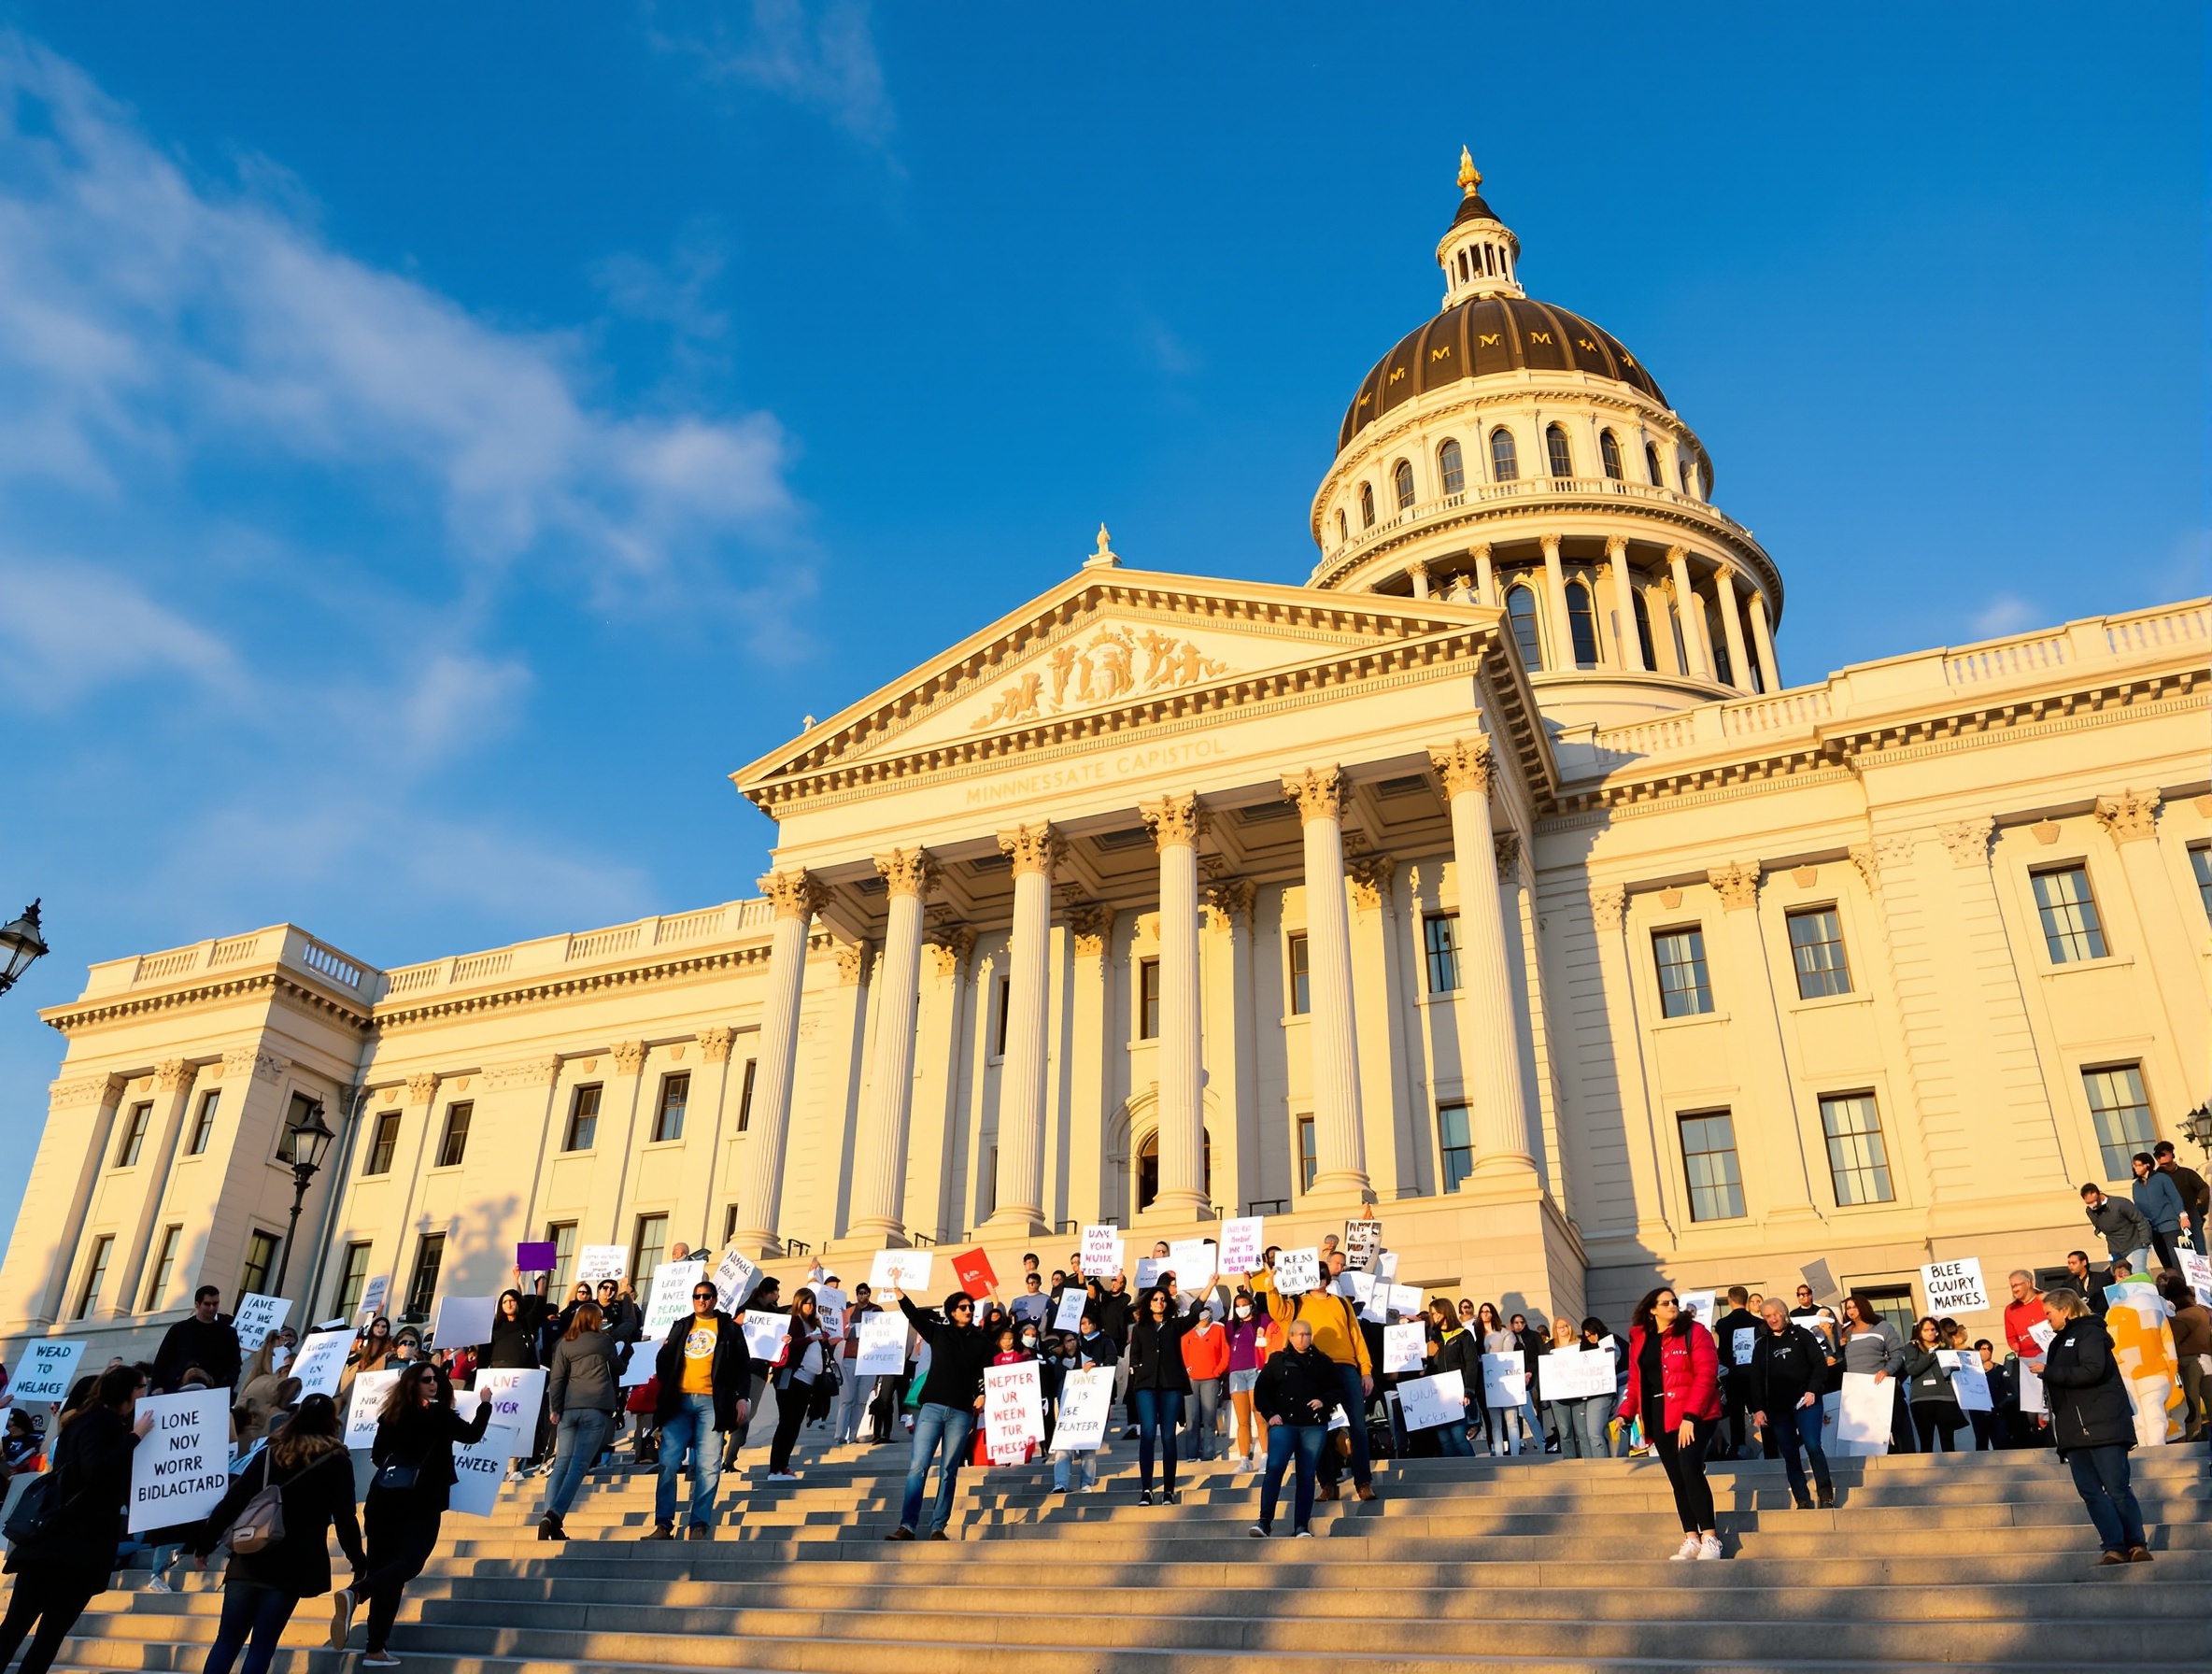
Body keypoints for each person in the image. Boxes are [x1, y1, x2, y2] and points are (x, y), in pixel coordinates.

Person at [191, 1393, 362, 1674]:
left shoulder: (270, 1454)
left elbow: (233, 1502)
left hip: (249, 1557)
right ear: (332, 1422)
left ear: (296, 1419)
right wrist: (357, 1560)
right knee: (262, 1646)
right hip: (293, 1566)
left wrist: (204, 1544)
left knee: (227, 1641)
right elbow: (345, 1518)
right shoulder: (338, 1462)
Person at [0, 1365, 150, 1674]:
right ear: (126, 1392)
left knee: (17, 1627)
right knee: (47, 1634)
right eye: (141, 1387)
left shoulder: (82, 1421)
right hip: (73, 1548)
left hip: (53, 1544)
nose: (145, 1393)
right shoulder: (104, 1423)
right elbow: (96, 1469)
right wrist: (135, 1437)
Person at [344, 1361, 492, 1666]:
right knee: (409, 1563)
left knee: (387, 1572)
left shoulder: (390, 1415)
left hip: (383, 1497)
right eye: (427, 1379)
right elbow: (473, 1435)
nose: (434, 1383)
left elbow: (377, 1456)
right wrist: (485, 1405)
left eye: (436, 1378)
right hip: (421, 1501)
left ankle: (375, 1648)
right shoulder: (439, 1415)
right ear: (413, 1384)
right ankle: (358, 1592)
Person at [2027, 1288, 2148, 1564]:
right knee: (2090, 1491)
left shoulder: (2090, 1333)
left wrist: (2049, 1371)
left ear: (2066, 1309)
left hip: (2104, 1426)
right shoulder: (2057, 1343)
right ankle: (2113, 1546)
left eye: (2049, 1313)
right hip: (2073, 1430)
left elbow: (2092, 1370)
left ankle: (2136, 1544)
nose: (2046, 1319)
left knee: (2117, 1489)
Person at [1251, 1262, 1376, 1501]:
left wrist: (1366, 1370)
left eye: (1322, 1273)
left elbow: (1356, 1337)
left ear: (1328, 1277)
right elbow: (1277, 1311)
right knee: (1318, 1428)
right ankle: (1327, 1483)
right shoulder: (1297, 1303)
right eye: (1314, 1274)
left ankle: (1363, 1482)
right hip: (1314, 1368)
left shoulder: (1342, 1303)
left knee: (1358, 1426)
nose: (1319, 1278)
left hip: (1346, 1366)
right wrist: (1272, 1285)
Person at [1618, 1286, 1723, 1559]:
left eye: (1674, 1301)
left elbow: (1706, 1374)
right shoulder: (1640, 1338)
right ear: (1652, 1309)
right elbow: (1635, 1381)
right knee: (1677, 1478)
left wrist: (1690, 1416)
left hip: (1696, 1413)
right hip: (1659, 1414)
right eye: (1665, 1303)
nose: (1672, 1305)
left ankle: (1710, 1537)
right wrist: (1625, 1413)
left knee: (1690, 1467)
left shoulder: (1694, 1331)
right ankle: (1691, 1538)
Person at [645, 1277, 749, 1539]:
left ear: (714, 1300)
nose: (701, 1300)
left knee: (708, 1465)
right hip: (679, 1401)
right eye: (697, 1296)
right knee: (668, 1463)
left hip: (712, 1402)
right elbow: (663, 1364)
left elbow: (742, 1366)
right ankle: (663, 1524)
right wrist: (664, 1357)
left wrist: (742, 1397)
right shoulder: (682, 1326)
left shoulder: (728, 1329)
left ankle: (699, 1524)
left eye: (706, 1296)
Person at [887, 1287, 989, 1540]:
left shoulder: (981, 1341)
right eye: (963, 1307)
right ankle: (907, 1525)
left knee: (948, 1471)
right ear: (952, 1311)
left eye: (971, 1307)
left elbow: (987, 1371)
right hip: (932, 1408)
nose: (968, 1311)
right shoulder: (939, 1332)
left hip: (961, 1412)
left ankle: (938, 1527)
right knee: (918, 1467)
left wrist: (983, 1392)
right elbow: (914, 1316)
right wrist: (899, 1294)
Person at [538, 1300, 621, 1540]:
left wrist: (555, 1408)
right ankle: (554, 1515)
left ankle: (548, 1518)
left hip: (569, 1408)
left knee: (561, 1464)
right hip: (596, 1407)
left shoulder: (565, 1343)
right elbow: (619, 1368)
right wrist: (625, 1354)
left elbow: (557, 1378)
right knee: (578, 1466)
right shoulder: (604, 1341)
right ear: (595, 1320)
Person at [1249, 1319, 1334, 1539]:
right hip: (1284, 1424)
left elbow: (1337, 1388)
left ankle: (1301, 1526)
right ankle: (1264, 1521)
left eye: (1307, 1334)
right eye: (1299, 1334)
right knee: (1275, 1468)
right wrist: (1270, 1414)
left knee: (1306, 1475)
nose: (1304, 1338)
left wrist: (1324, 1401)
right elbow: (1261, 1390)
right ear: (1291, 1336)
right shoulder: (1278, 1360)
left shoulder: (1323, 1361)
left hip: (1313, 1426)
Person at [1749, 1298, 1835, 1509]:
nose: (1772, 1319)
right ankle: (1802, 1498)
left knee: (1813, 1445)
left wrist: (1813, 1389)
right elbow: (1755, 1379)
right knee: (1789, 1452)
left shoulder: (1802, 1335)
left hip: (1806, 1401)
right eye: (1767, 1316)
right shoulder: (1762, 1345)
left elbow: (1819, 1365)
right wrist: (1758, 1409)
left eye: (1775, 1314)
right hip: (1778, 1407)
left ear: (1784, 1313)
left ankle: (1825, 1493)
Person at [1126, 1284, 1198, 1503]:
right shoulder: (1140, 1328)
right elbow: (1135, 1356)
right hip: (1146, 1385)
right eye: (1155, 1299)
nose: (1159, 1302)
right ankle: (1146, 1489)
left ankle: (1168, 1490)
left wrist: (1211, 1285)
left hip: (1171, 1385)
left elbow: (1195, 1312)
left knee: (1168, 1436)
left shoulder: (1174, 1325)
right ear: (1148, 1303)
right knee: (1148, 1434)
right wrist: (1138, 1372)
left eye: (1163, 1299)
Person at [766, 1287, 830, 1481]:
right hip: (792, 1379)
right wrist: (811, 1338)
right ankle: (775, 1469)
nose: (810, 1307)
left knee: (794, 1425)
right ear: (799, 1303)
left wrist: (824, 1340)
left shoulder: (814, 1323)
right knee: (787, 1423)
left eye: (813, 1303)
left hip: (808, 1382)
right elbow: (788, 1343)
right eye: (806, 1303)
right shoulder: (794, 1321)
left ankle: (783, 1466)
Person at [1835, 1295, 1905, 1454]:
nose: (1851, 1311)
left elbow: (1897, 1353)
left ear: (1863, 1307)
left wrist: (1887, 1370)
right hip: (1856, 1390)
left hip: (1878, 1386)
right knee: (1861, 1434)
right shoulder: (1846, 1333)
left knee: (1884, 1431)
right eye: (1848, 1308)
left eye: (1854, 1307)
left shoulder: (1882, 1327)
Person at [154, 1286, 241, 1394]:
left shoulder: (228, 1333)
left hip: (213, 1390)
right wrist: (158, 1386)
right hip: (177, 1389)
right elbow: (163, 1360)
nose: (212, 1308)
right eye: (207, 1304)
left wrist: (225, 1387)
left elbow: (235, 1364)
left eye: (215, 1304)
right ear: (197, 1304)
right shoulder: (179, 1330)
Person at [2155, 1273, 2206, 1442]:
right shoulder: (2201, 1311)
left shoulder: (2179, 1318)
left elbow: (2173, 1342)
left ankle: (2194, 1439)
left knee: (2192, 1406)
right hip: (2207, 1359)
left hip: (2188, 1362)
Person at [1901, 1317, 1964, 1454]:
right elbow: (1912, 1369)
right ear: (1919, 1331)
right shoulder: (1912, 1347)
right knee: (1926, 1442)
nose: (1930, 1333)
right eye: (1926, 1330)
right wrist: (1932, 1354)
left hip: (1945, 1398)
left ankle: (1951, 1466)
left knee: (1948, 1442)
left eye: (1933, 1329)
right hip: (1922, 1399)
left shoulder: (1945, 1346)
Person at [1711, 1287, 1761, 1459]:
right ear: (1746, 1300)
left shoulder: (1723, 1324)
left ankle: (1738, 1447)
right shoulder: (1757, 1322)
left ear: (1730, 1300)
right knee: (1759, 1408)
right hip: (1754, 1373)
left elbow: (1722, 1350)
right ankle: (1769, 1443)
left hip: (1732, 1375)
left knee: (1736, 1413)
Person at [1474, 1303, 1525, 1456]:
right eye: (1482, 1312)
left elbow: (1509, 1354)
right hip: (1489, 1383)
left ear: (1493, 1313)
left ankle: (1515, 1455)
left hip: (1506, 1379)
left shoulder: (1505, 1333)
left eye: (1488, 1311)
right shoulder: (1477, 1335)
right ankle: (1499, 1455)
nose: (1485, 1314)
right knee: (1495, 1423)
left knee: (1511, 1420)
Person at [1180, 1302, 1228, 1464]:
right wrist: (1187, 1370)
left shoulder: (1219, 1329)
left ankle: (1208, 1453)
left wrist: (1217, 1371)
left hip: (1211, 1379)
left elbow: (1225, 1352)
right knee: (1192, 1418)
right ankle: (1191, 1453)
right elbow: (1182, 1353)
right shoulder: (1187, 1331)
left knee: (1209, 1419)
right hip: (1191, 1379)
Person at [1223, 1291, 1266, 1468]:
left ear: (1251, 1305)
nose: (1241, 1309)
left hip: (1255, 1370)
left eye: (1244, 1305)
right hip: (1236, 1373)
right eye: (1238, 1306)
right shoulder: (1231, 1326)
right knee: (1243, 1420)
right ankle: (1244, 1460)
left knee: (1260, 1415)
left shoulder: (1261, 1320)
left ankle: (1266, 1456)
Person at [2128, 1153, 2186, 1273]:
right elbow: (2138, 1206)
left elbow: (2175, 1197)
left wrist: (2183, 1216)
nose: (2136, 1168)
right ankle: (2171, 1280)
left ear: (2147, 1165)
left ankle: (2182, 1281)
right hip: (2152, 1228)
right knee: (2164, 1260)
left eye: (2139, 1165)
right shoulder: (2136, 1185)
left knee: (2176, 1258)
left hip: (2169, 1224)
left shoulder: (2162, 1178)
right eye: (2134, 1165)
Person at [2080, 1183, 2153, 1274]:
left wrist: (2145, 1242)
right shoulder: (2090, 1211)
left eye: (2093, 1202)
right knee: (2118, 1276)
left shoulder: (2120, 1204)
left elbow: (2140, 1221)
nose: (2092, 1206)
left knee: (2138, 1272)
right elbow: (2098, 1227)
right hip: (2115, 1250)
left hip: (2135, 1245)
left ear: (2099, 1194)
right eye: (2088, 1203)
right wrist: (2099, 1233)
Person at [2151, 1140, 2209, 1236]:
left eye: (2163, 1154)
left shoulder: (2186, 1173)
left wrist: (2199, 1203)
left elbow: (2203, 1188)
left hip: (2191, 1213)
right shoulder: (2155, 1178)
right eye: (2158, 1156)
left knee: (2198, 1242)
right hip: (2170, 1219)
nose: (2161, 1157)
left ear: (2172, 1154)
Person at [2002, 1271, 2044, 1359]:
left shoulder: (2045, 1301)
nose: (2014, 1290)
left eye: (2017, 1285)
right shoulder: (2010, 1309)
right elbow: (2011, 1338)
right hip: (2025, 1358)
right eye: (2012, 1286)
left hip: (2049, 1353)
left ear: (2028, 1283)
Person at [2061, 1250, 2109, 1319]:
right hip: (2082, 1319)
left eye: (2073, 1263)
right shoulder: (2068, 1283)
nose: (2070, 1266)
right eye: (2069, 1263)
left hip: (2102, 1317)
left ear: (2084, 1262)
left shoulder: (2101, 1278)